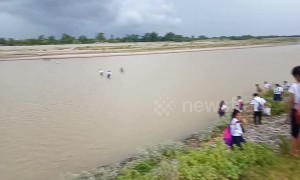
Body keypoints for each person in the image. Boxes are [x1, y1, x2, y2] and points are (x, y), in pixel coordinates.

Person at [288, 66, 300, 157]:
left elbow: (291, 100)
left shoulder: (294, 86)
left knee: (295, 132)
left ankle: (294, 152)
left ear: (297, 76)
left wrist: (288, 113)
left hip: (296, 111)